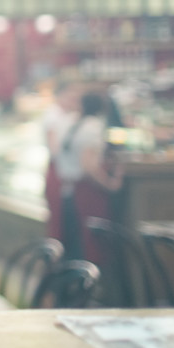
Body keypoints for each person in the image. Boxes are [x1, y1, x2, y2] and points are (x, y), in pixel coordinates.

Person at [56, 92, 122, 261]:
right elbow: (89, 166)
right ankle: (91, 283)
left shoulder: (69, 122)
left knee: (73, 242)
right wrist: (110, 184)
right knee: (92, 244)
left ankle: (72, 284)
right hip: (87, 191)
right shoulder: (93, 126)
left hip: (67, 190)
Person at [40, 81, 79, 242]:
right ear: (61, 95)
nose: (74, 99)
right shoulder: (52, 116)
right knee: (58, 220)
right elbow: (55, 148)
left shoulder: (68, 115)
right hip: (57, 170)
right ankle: (56, 260)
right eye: (71, 95)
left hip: (63, 170)